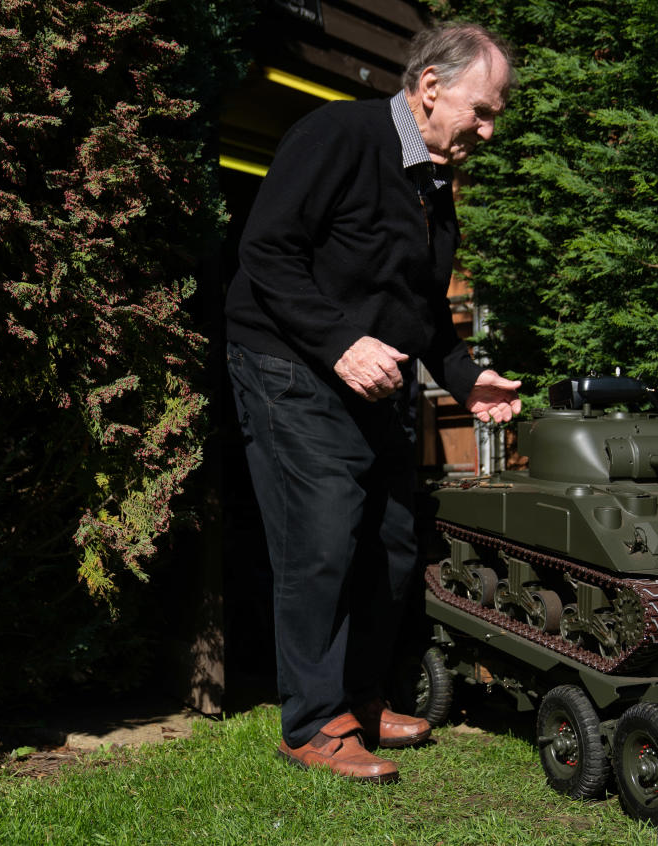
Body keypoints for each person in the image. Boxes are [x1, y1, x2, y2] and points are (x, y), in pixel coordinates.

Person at [224, 23, 522, 783]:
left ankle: (359, 698)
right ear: (429, 87)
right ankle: (315, 723)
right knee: (322, 536)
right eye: (482, 110)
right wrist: (337, 342)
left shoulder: (432, 186)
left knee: (391, 542)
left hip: (372, 383)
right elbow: (265, 252)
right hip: (289, 367)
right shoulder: (336, 136)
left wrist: (463, 378)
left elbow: (421, 306)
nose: (489, 129)